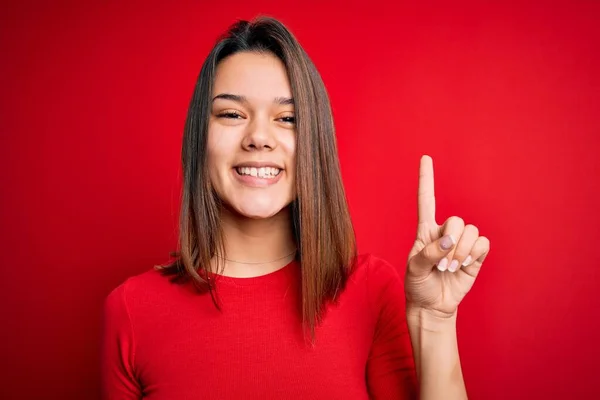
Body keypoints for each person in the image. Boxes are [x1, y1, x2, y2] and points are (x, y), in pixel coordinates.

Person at [101, 16, 490, 400]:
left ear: (314, 142)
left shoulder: (370, 291)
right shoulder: (132, 311)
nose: (258, 137)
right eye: (232, 114)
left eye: (287, 118)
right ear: (199, 137)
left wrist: (435, 321)